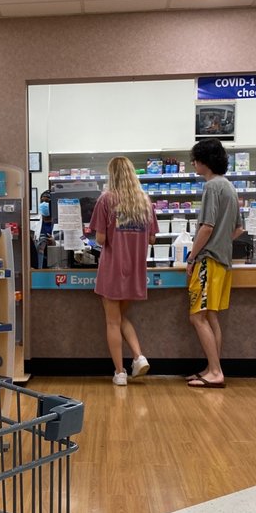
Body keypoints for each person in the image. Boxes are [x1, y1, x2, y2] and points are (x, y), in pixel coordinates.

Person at [90, 155, 158, 386]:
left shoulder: (106, 199)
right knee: (120, 317)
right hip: (136, 271)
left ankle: (120, 373)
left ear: (113, 175)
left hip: (113, 268)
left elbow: (100, 239)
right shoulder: (144, 201)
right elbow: (152, 239)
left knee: (112, 321)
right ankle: (138, 357)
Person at [185, 138, 244, 389]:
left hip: (208, 261)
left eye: (195, 160)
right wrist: (222, 242)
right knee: (211, 317)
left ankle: (216, 372)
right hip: (222, 262)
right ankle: (212, 368)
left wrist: (191, 257)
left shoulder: (211, 187)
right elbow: (239, 229)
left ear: (204, 161)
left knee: (197, 317)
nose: (193, 164)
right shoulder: (229, 187)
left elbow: (207, 227)